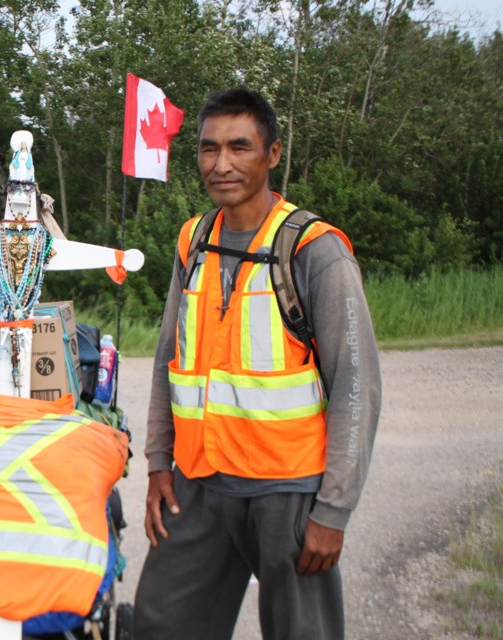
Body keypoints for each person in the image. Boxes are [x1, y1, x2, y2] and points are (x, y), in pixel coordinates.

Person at [133, 88, 381, 639]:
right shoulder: (194, 240)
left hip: (286, 493)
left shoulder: (316, 250)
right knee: (159, 622)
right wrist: (158, 462)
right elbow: (167, 358)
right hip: (198, 484)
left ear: (272, 153)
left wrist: (332, 511)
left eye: (239, 147)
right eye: (208, 148)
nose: (221, 164)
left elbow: (355, 388)